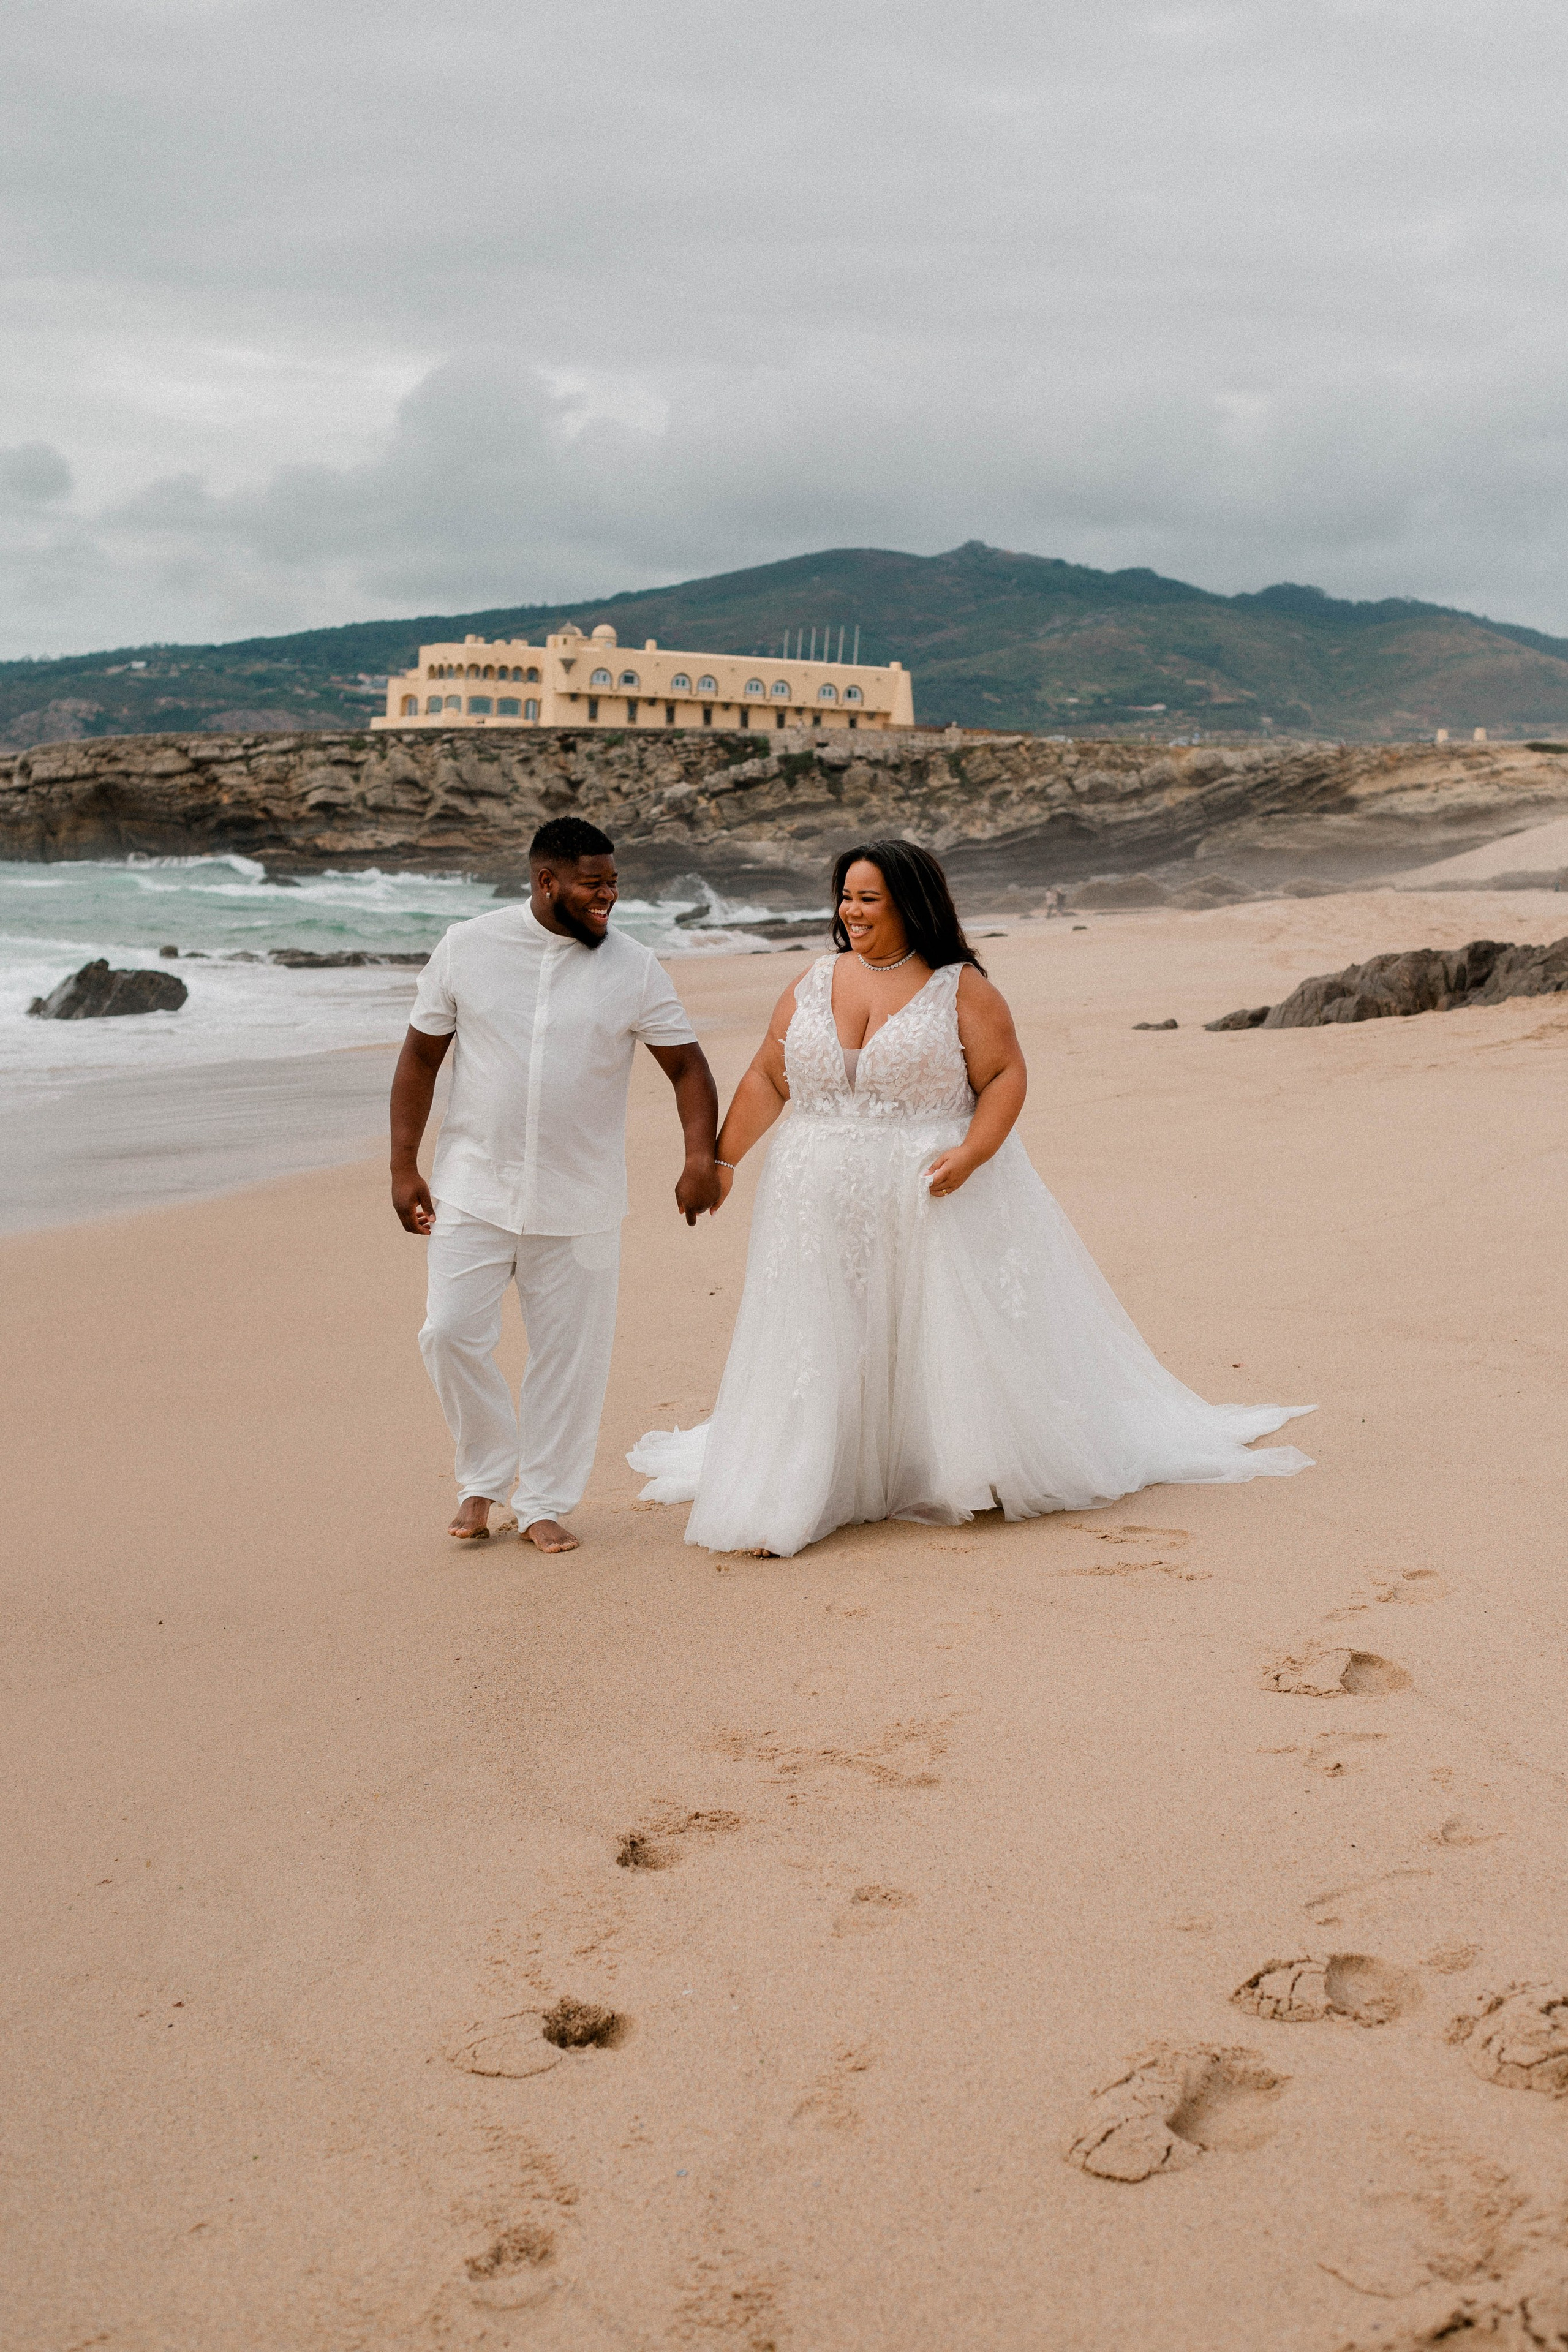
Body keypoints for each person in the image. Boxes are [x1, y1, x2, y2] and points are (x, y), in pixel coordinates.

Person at [630, 839, 1313, 1558]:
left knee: (930, 1327)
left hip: (926, 1189)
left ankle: (946, 1463)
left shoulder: (960, 989)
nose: (850, 911)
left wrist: (973, 1152)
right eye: (846, 896)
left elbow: (1005, 1076)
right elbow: (769, 1077)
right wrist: (724, 1159)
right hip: (812, 1196)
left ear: (908, 904)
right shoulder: (812, 980)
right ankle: (811, 1474)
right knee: (820, 1326)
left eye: (869, 898)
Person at [391, 816, 721, 1553]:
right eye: (594, 884)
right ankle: (482, 1476)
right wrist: (402, 1165)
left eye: (613, 883)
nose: (609, 896)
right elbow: (419, 1060)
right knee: (448, 1333)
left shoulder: (634, 967)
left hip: (582, 1198)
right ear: (547, 882)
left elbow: (689, 1067)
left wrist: (700, 1157)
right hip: (473, 1186)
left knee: (568, 1360)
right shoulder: (467, 947)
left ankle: (541, 1500)